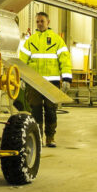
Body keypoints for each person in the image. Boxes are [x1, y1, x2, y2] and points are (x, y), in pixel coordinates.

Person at [19, 11, 71, 147]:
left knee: (50, 111)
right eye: (37, 21)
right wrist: (21, 77)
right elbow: (22, 61)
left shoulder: (57, 40)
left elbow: (65, 60)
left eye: (42, 21)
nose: (40, 24)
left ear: (48, 22)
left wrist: (66, 78)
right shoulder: (30, 41)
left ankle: (50, 138)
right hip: (34, 83)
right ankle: (38, 137)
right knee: (35, 110)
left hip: (51, 83)